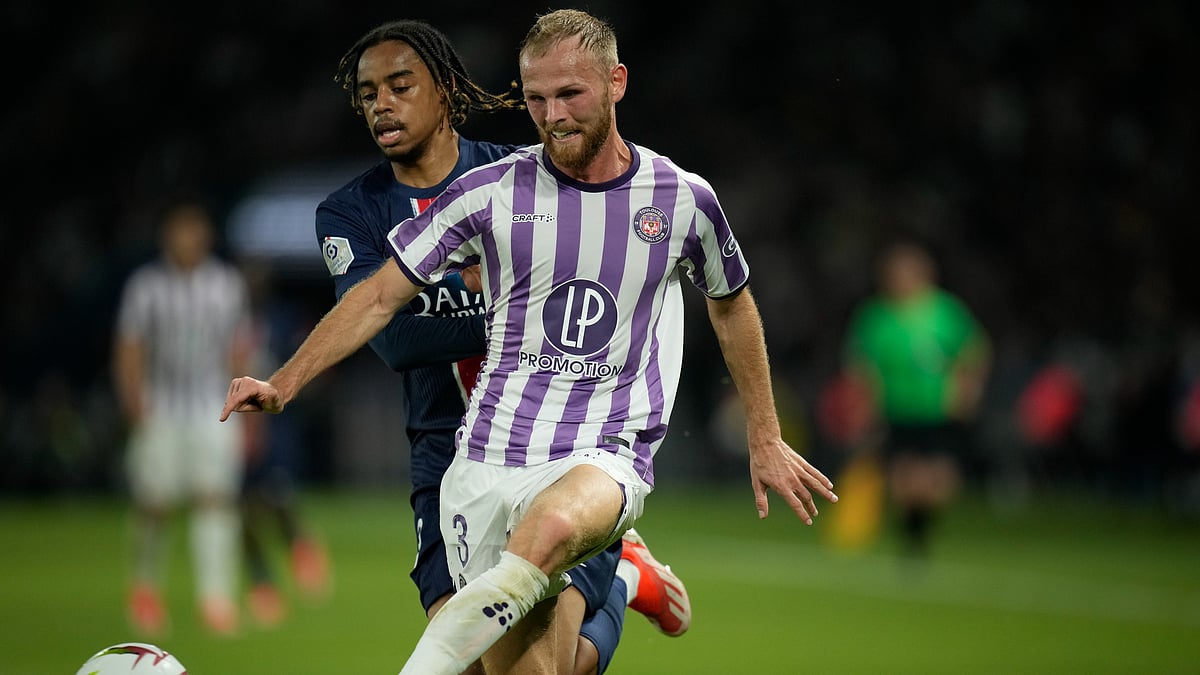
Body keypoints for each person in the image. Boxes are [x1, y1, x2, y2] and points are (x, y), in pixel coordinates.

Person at [222, 9, 837, 674]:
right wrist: (282, 380)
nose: (552, 114)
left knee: (547, 536)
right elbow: (382, 314)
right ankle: (631, 579)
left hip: (592, 450)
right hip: (460, 449)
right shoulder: (429, 201)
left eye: (401, 85)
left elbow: (717, 298)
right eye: (536, 99)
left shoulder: (660, 195)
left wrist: (763, 432)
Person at [315, 19, 688, 674]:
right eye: (369, 91)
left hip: (557, 451)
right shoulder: (354, 212)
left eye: (401, 85)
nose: (382, 103)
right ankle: (629, 578)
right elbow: (395, 338)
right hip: (444, 455)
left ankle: (613, 564)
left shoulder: (522, 176)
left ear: (448, 90)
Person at [113, 196, 252, 636]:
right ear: (167, 235)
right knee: (154, 504)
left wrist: (251, 415)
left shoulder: (226, 285)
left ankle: (216, 599)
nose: (187, 239)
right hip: (162, 408)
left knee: (216, 500)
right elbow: (130, 348)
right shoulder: (147, 286)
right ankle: (145, 591)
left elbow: (239, 351)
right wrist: (134, 403)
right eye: (179, 229)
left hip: (213, 409)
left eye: (194, 230)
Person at [842, 240, 991, 559]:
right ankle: (912, 540)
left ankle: (917, 528)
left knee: (940, 480)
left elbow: (974, 352)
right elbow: (861, 364)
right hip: (897, 409)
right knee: (904, 478)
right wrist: (863, 404)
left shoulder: (945, 311)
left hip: (938, 408)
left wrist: (968, 390)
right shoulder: (877, 317)